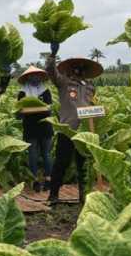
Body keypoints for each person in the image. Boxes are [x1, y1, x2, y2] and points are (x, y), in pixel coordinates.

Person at [46, 44, 103, 204]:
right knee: (61, 164)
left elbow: (93, 105)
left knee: (83, 165)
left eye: (81, 68)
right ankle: (53, 195)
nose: (79, 70)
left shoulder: (90, 87)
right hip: (68, 130)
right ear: (70, 69)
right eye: (76, 67)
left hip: (85, 132)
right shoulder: (64, 83)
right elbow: (51, 71)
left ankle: (83, 197)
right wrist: (53, 54)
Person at [16, 66, 54, 192]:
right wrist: (36, 109)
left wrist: (30, 110)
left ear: (41, 77)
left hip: (45, 126)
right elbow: (19, 112)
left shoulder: (45, 91)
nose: (35, 78)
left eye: (37, 76)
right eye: (32, 76)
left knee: (46, 154)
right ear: (27, 78)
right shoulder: (23, 93)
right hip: (30, 128)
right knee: (33, 155)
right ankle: (35, 180)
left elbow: (48, 109)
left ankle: (49, 179)